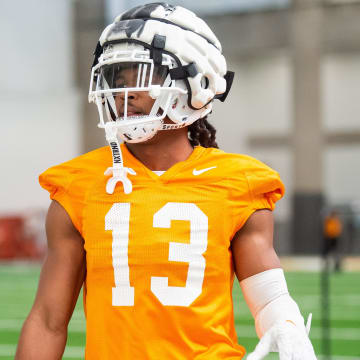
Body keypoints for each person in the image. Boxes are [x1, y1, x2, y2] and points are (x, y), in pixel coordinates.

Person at [15, 3, 317, 359]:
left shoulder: (239, 182)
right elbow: (49, 319)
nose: (124, 96)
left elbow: (267, 294)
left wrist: (285, 324)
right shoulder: (79, 183)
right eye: (117, 81)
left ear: (197, 82)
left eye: (140, 78)